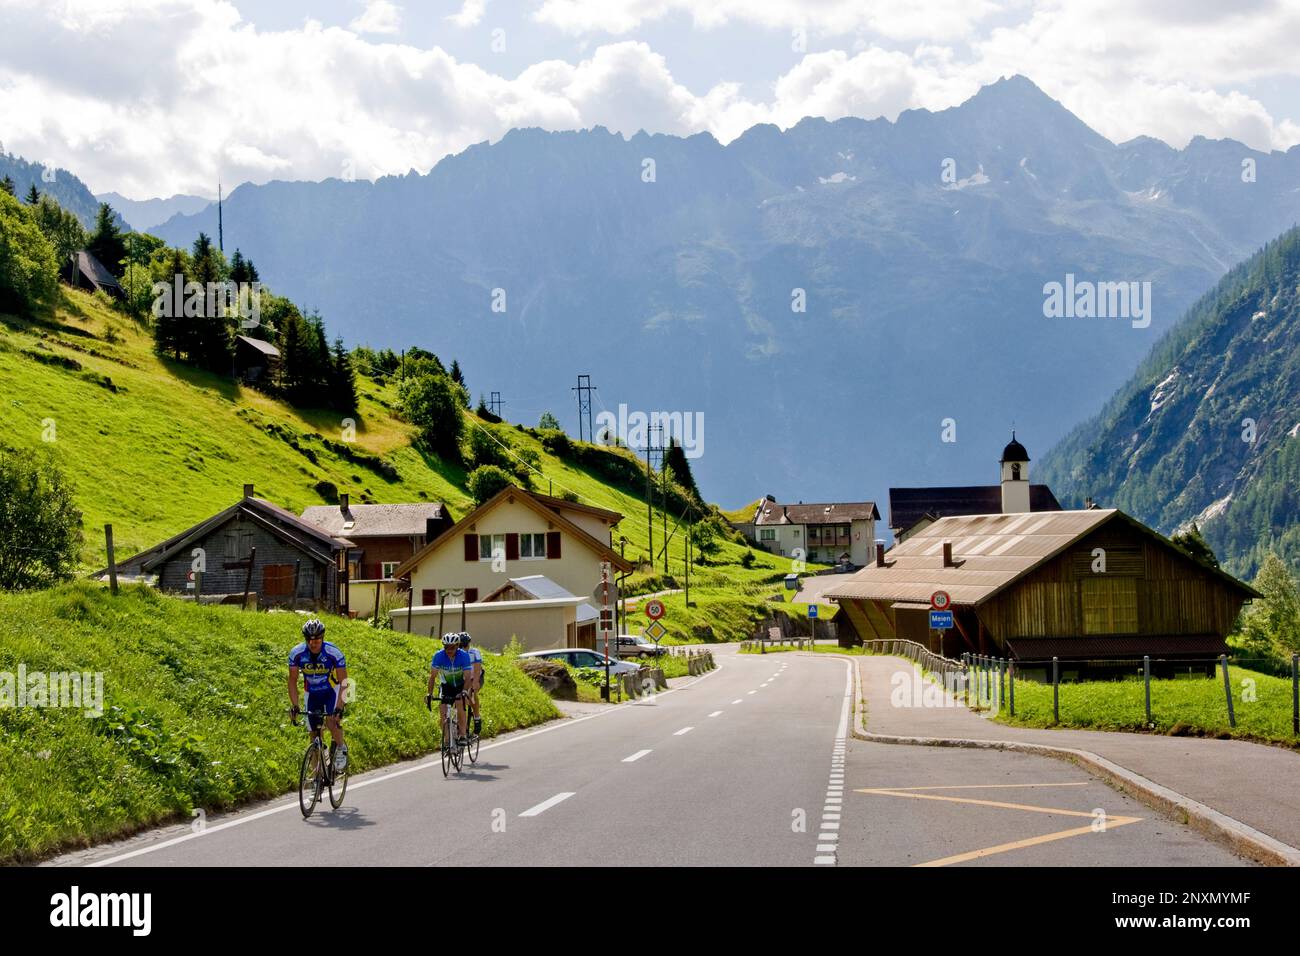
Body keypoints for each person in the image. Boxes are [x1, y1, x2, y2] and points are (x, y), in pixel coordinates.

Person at [288, 618, 349, 771]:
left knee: (330, 721)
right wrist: (295, 705)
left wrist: (340, 707)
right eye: (309, 639)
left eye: (316, 639)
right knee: (314, 734)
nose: (312, 643)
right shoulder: (297, 653)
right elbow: (292, 681)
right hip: (312, 693)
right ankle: (317, 778)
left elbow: (344, 681)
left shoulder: (333, 652)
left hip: (332, 691)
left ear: (322, 638)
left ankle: (341, 748)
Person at [426, 632, 472, 746]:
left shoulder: (464, 656)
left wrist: (465, 691)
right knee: (442, 711)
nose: (449, 650)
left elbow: (467, 678)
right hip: (446, 685)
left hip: (461, 685)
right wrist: (429, 694)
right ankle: (447, 740)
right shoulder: (439, 656)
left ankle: (462, 735)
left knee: (459, 703)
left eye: (452, 647)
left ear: (457, 646)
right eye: (446, 647)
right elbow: (432, 677)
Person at [458, 632, 483, 735]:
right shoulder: (457, 654)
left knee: (471, 694)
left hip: (475, 677)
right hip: (463, 679)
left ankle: (477, 717)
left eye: (466, 645)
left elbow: (477, 669)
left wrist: (475, 683)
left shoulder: (474, 652)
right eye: (461, 645)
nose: (464, 647)